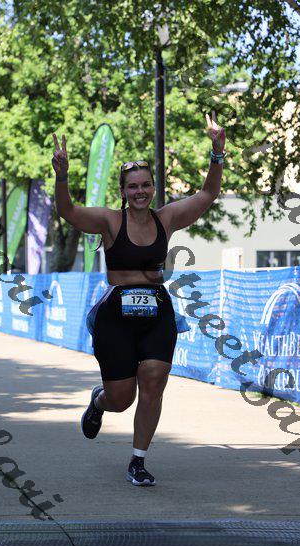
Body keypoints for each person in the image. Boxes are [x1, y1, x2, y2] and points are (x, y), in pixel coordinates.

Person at [52, 111, 225, 486]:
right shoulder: (109, 221)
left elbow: (208, 194)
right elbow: (67, 211)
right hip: (116, 314)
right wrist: (62, 176)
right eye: (133, 186)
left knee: (154, 379)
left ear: (153, 188)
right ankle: (99, 401)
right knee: (121, 398)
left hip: (156, 311)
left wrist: (217, 153)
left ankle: (138, 460)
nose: (140, 191)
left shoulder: (167, 219)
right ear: (123, 191)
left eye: (146, 185)